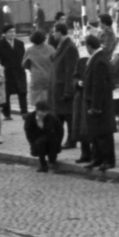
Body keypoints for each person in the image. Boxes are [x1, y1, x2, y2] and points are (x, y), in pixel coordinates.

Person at [82, 34, 116, 171]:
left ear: (89, 47)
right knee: (95, 133)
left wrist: (96, 106)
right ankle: (97, 158)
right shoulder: (99, 58)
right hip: (95, 102)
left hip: (99, 104)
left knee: (103, 133)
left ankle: (108, 160)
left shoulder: (99, 60)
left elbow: (99, 85)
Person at [48, 22, 79, 151]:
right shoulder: (61, 45)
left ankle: (71, 140)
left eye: (54, 32)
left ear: (60, 32)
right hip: (58, 89)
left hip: (63, 89)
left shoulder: (70, 47)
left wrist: (68, 91)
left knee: (68, 116)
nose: (52, 34)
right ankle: (59, 141)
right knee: (59, 116)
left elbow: (70, 71)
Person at [0, 25, 27, 120]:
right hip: (6, 71)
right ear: (4, 34)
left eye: (14, 31)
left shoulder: (20, 43)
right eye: (10, 32)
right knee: (6, 93)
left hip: (18, 70)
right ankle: (7, 113)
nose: (12, 34)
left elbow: (23, 57)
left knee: (22, 92)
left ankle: (24, 112)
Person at [25, 101, 65, 172]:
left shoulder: (52, 118)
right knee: (40, 144)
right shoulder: (30, 117)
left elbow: (59, 131)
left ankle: (51, 158)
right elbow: (28, 132)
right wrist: (32, 143)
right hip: (37, 139)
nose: (44, 114)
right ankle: (43, 165)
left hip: (51, 138)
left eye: (46, 112)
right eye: (42, 111)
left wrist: (58, 143)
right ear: (37, 110)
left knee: (51, 156)